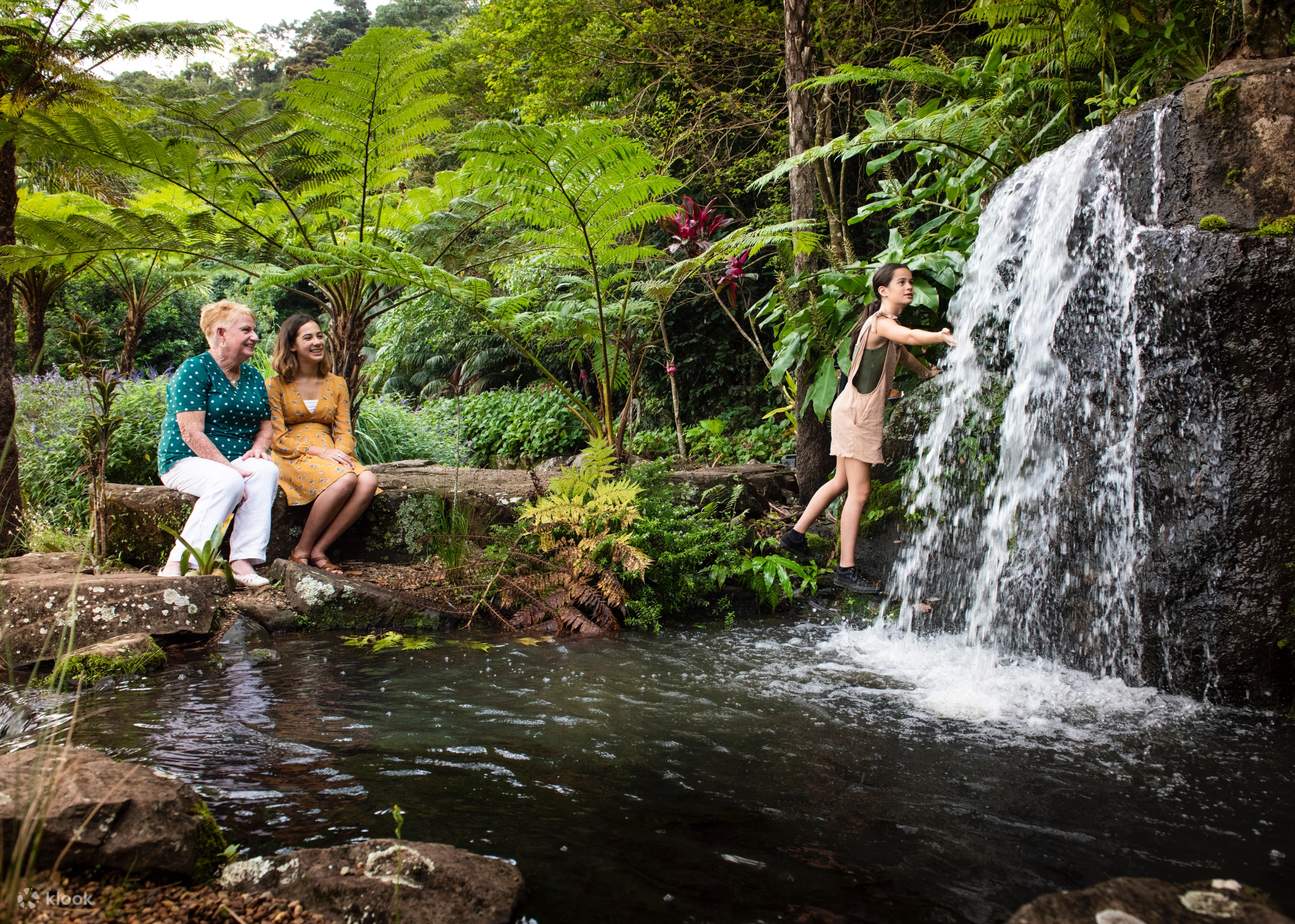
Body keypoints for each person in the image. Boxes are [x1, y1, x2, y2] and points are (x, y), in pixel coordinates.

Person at [779, 263, 956, 593]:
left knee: (840, 481)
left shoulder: (887, 327)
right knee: (859, 492)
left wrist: (927, 374)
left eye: (910, 282)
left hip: (850, 411)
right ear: (883, 290)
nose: (909, 287)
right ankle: (845, 569)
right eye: (901, 282)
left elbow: (904, 354)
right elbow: (909, 338)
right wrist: (941, 337)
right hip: (858, 416)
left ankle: (795, 536)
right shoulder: (881, 323)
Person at [157, 300, 278, 588]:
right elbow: (191, 432)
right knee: (228, 481)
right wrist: (230, 469)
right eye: (246, 330)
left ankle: (243, 560)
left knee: (266, 471)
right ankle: (179, 563)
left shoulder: (252, 376)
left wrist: (259, 448)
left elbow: (266, 423)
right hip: (186, 459)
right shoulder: (194, 369)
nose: (254, 336)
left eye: (254, 330)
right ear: (221, 333)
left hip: (236, 458)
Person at [266, 313, 378, 575]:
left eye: (319, 335)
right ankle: (301, 550)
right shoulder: (275, 385)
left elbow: (345, 430)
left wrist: (340, 452)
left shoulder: (337, 384)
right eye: (308, 337)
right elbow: (276, 437)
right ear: (292, 345)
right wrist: (317, 451)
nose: (317, 342)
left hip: (331, 452)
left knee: (368, 481)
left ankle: (319, 549)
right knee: (346, 480)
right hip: (293, 453)